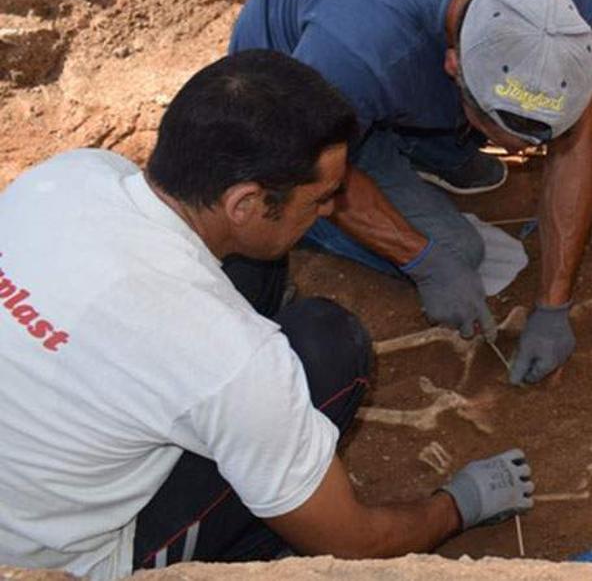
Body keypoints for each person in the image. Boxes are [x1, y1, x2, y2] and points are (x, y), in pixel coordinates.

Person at [0, 51, 534, 580]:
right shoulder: (235, 362)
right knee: (329, 348)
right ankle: (238, 550)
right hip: (58, 558)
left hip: (29, 464)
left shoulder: (72, 175)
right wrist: (458, 505)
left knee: (257, 270)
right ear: (246, 203)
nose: (330, 210)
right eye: (320, 198)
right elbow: (353, 543)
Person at [230, 0, 592, 385]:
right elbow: (306, 168)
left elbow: (573, 147)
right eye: (504, 133)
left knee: (449, 155)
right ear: (452, 66)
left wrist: (555, 305)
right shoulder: (359, 52)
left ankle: (431, 145)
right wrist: (423, 262)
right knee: (458, 253)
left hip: (383, 45)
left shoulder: (560, 6)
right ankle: (360, 181)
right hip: (292, 104)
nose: (518, 155)